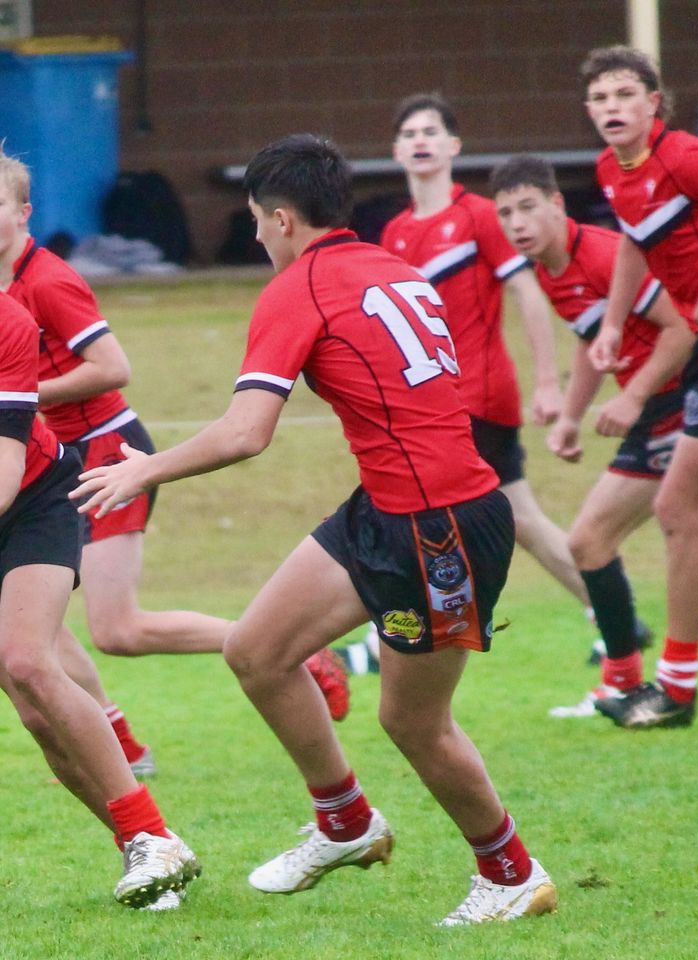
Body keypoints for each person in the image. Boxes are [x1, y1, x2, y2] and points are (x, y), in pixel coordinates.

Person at [71, 133, 558, 926]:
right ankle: (346, 822)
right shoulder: (394, 267)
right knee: (257, 651)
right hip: (391, 506)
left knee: (412, 721)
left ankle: (511, 873)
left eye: (259, 223)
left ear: (285, 219)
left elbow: (244, 433)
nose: (257, 236)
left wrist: (140, 470)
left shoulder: (301, 287)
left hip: (439, 528)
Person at [0, 149, 349, 735]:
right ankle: (119, 741)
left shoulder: (49, 280)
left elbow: (113, 367)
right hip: (41, 464)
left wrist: (19, 398)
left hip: (106, 453)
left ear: (24, 212)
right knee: (28, 621)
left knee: (118, 630)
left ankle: (289, 649)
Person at [376, 92, 652, 666]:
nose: (420, 141)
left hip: (476, 394)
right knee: (518, 518)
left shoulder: (481, 214)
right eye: (409, 133)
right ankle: (612, 618)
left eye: (432, 131)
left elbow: (526, 291)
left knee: (411, 508)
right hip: (431, 402)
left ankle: (393, 640)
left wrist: (547, 382)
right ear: (396, 151)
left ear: (454, 146)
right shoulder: (396, 233)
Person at [491, 154, 698, 717]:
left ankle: (629, 686)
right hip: (663, 411)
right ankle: (623, 685)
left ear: (557, 204)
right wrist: (570, 413)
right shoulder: (549, 269)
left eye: (528, 208)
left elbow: (683, 330)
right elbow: (598, 346)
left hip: (685, 404)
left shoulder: (601, 254)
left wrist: (634, 394)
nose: (517, 223)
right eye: (506, 213)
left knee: (592, 539)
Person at [0, 289, 200, 909]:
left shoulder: (8, 319)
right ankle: (150, 845)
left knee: (29, 661)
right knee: (37, 716)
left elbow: (5, 470)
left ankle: (147, 837)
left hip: (31, 497)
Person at [581, 45, 698, 728]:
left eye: (625, 95)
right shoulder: (613, 169)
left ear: (654, 103)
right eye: (599, 99)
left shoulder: (684, 156)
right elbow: (635, 240)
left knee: (679, 510)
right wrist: (614, 323)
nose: (612, 109)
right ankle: (674, 690)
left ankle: (675, 692)